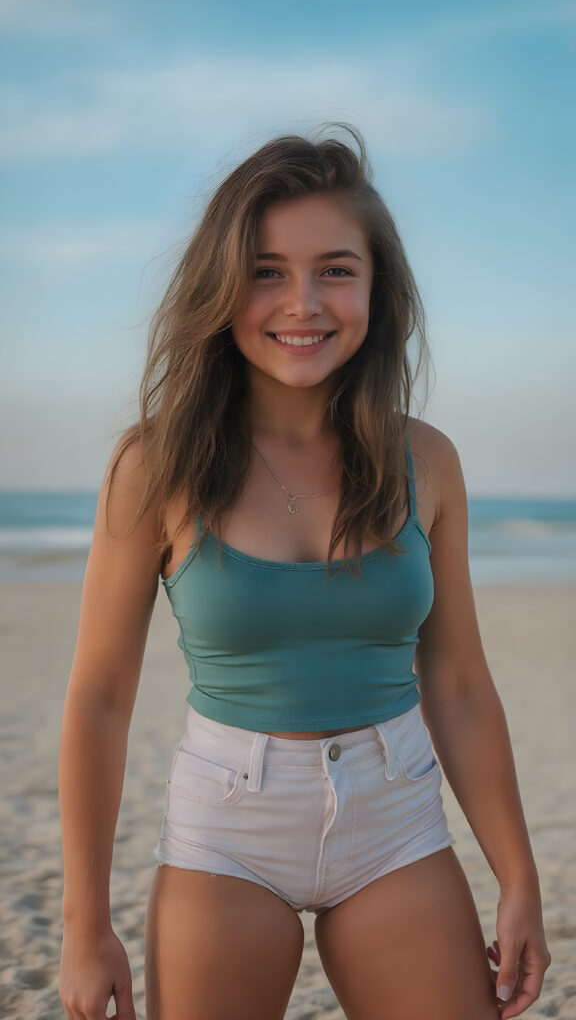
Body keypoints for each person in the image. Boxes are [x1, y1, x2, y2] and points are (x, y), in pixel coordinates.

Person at [58, 124, 550, 1020]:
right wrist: (85, 925)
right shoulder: (155, 466)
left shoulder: (426, 461)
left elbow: (461, 684)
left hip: (396, 820)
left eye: (334, 268)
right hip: (228, 832)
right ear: (222, 285)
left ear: (375, 286)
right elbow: (98, 697)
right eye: (266, 270)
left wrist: (520, 878)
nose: (302, 302)